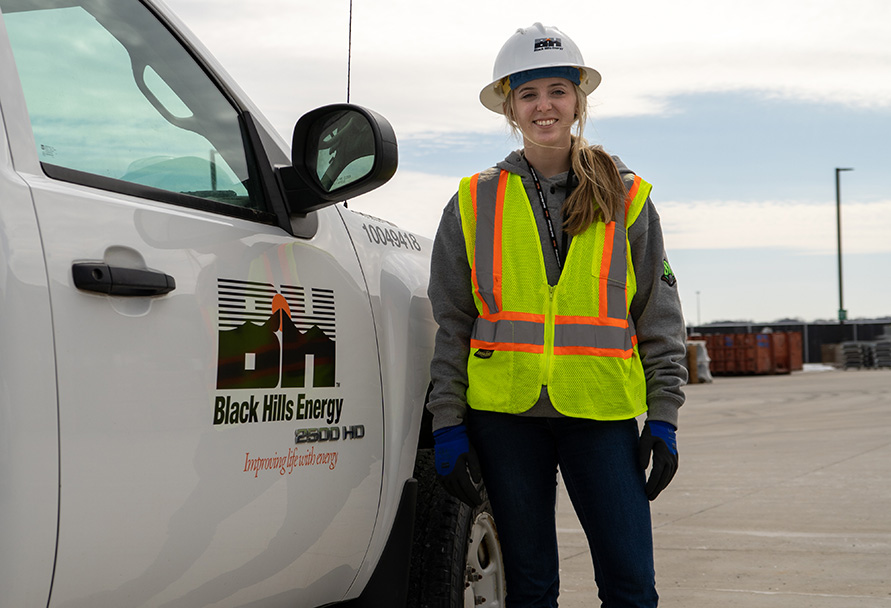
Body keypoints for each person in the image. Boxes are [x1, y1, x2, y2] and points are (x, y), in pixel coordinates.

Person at [426, 23, 688, 608]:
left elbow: (659, 318)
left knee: (630, 585)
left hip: (600, 414)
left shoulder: (628, 197)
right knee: (531, 586)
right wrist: (447, 421)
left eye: (557, 91)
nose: (544, 106)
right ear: (510, 109)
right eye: (528, 95)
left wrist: (664, 418)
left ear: (578, 101)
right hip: (505, 416)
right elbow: (454, 320)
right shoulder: (473, 201)